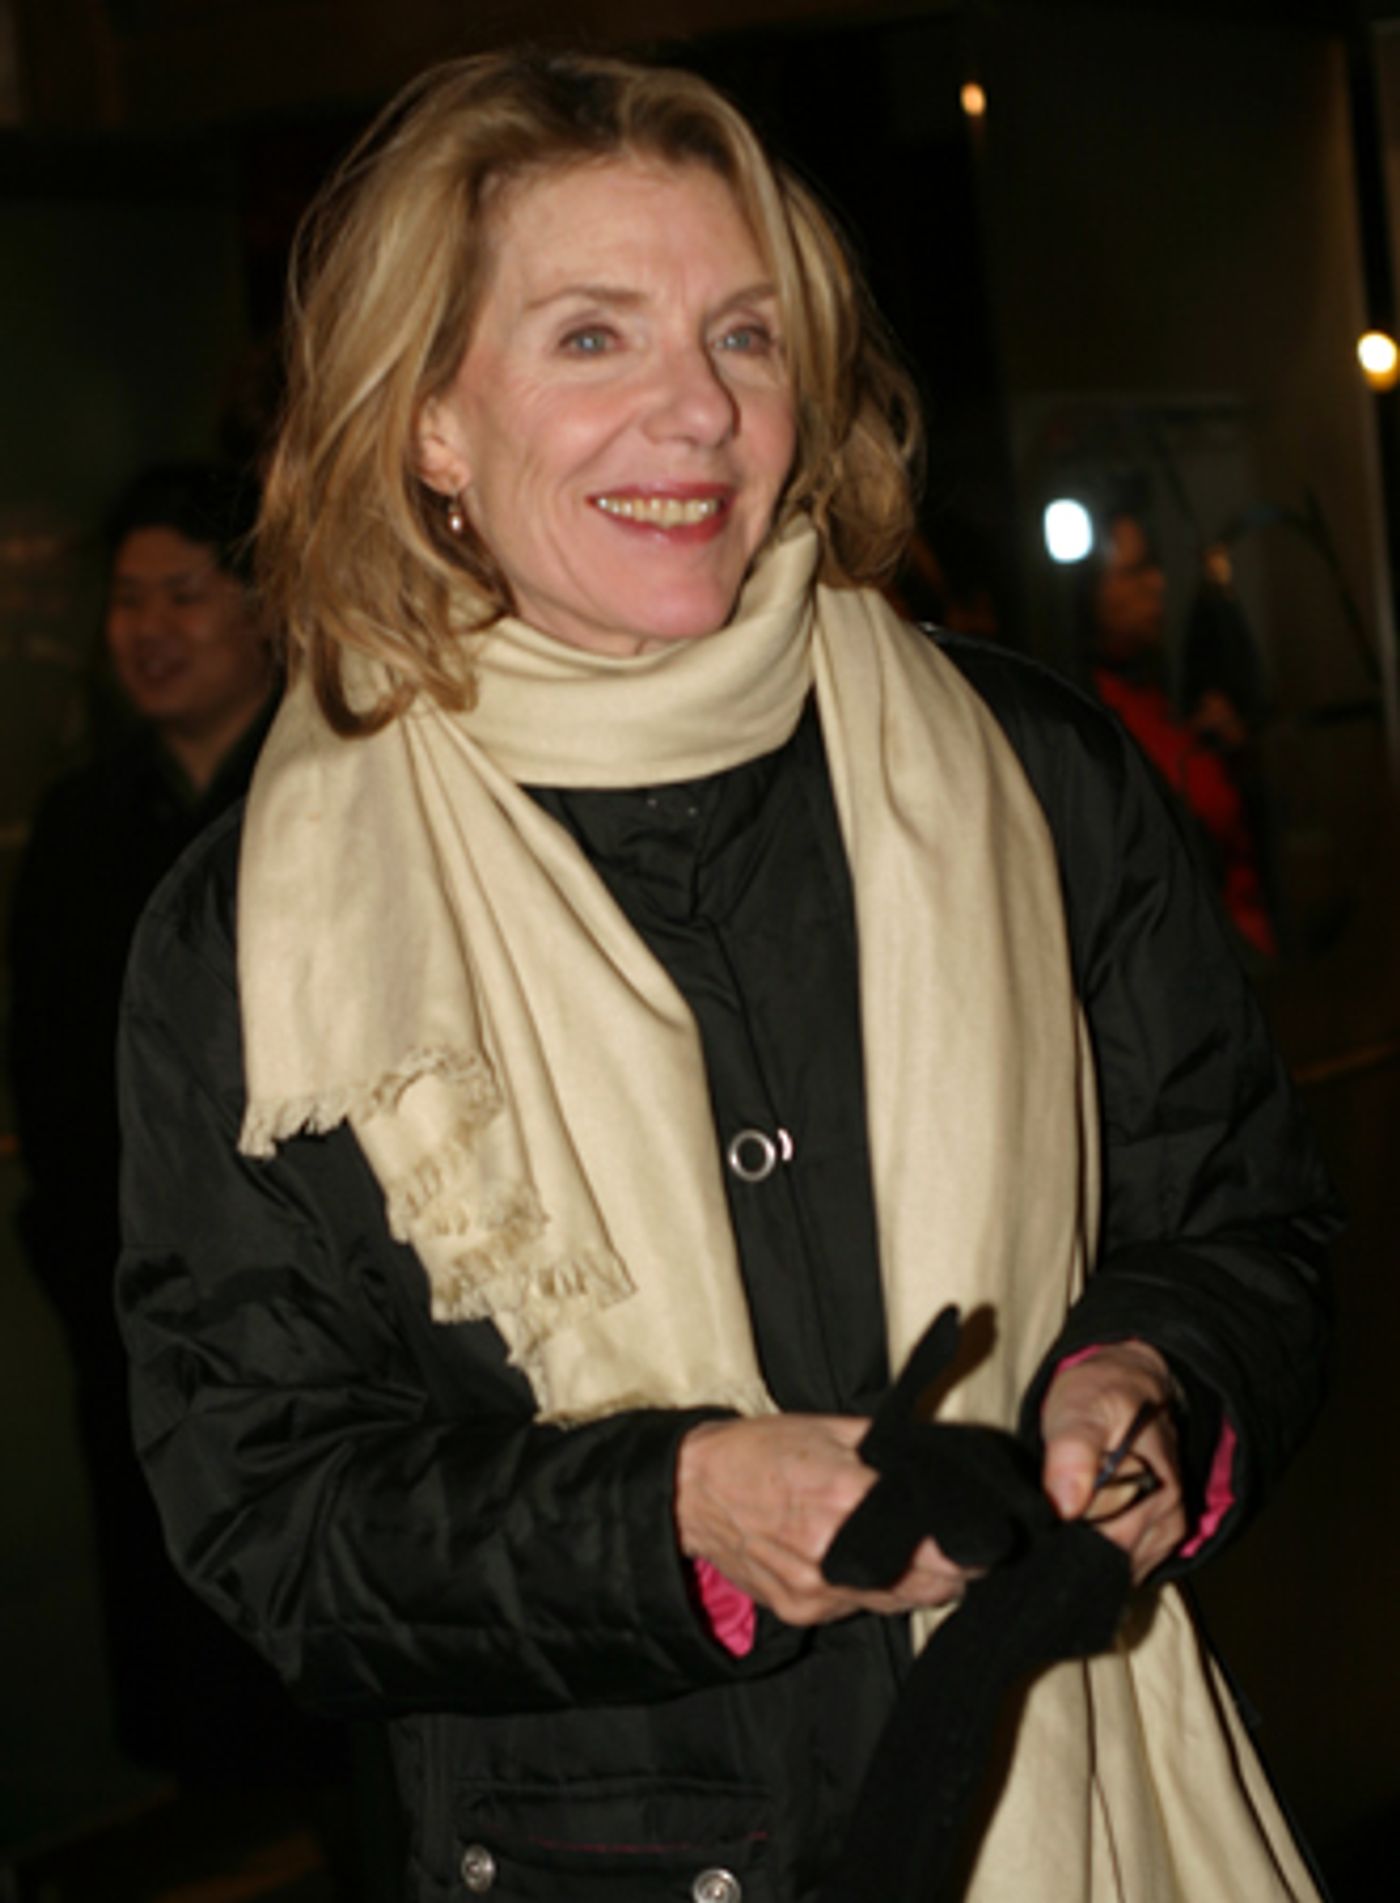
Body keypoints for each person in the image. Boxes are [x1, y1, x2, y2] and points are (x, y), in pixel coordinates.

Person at [115, 51, 1335, 1902]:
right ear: (430, 421)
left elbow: (1241, 1217)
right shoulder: (261, 924)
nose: (696, 409)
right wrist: (677, 1510)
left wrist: (1152, 1378)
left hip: (1084, 1803)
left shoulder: (1035, 773)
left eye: (745, 335)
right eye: (591, 337)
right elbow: (269, 1515)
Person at [7, 462, 294, 1780]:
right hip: (141, 1303)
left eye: (184, 593)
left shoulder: (332, 784)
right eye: (128, 600)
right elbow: (53, 1073)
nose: (148, 629)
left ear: (262, 604)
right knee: (187, 1659)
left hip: (313, 1299)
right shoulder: (84, 817)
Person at [1081, 507, 1279, 960]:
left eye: (1153, 567)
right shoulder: (1093, 722)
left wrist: (1237, 754)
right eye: (1134, 572)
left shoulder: (1167, 694)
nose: (1156, 584)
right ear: (1094, 592)